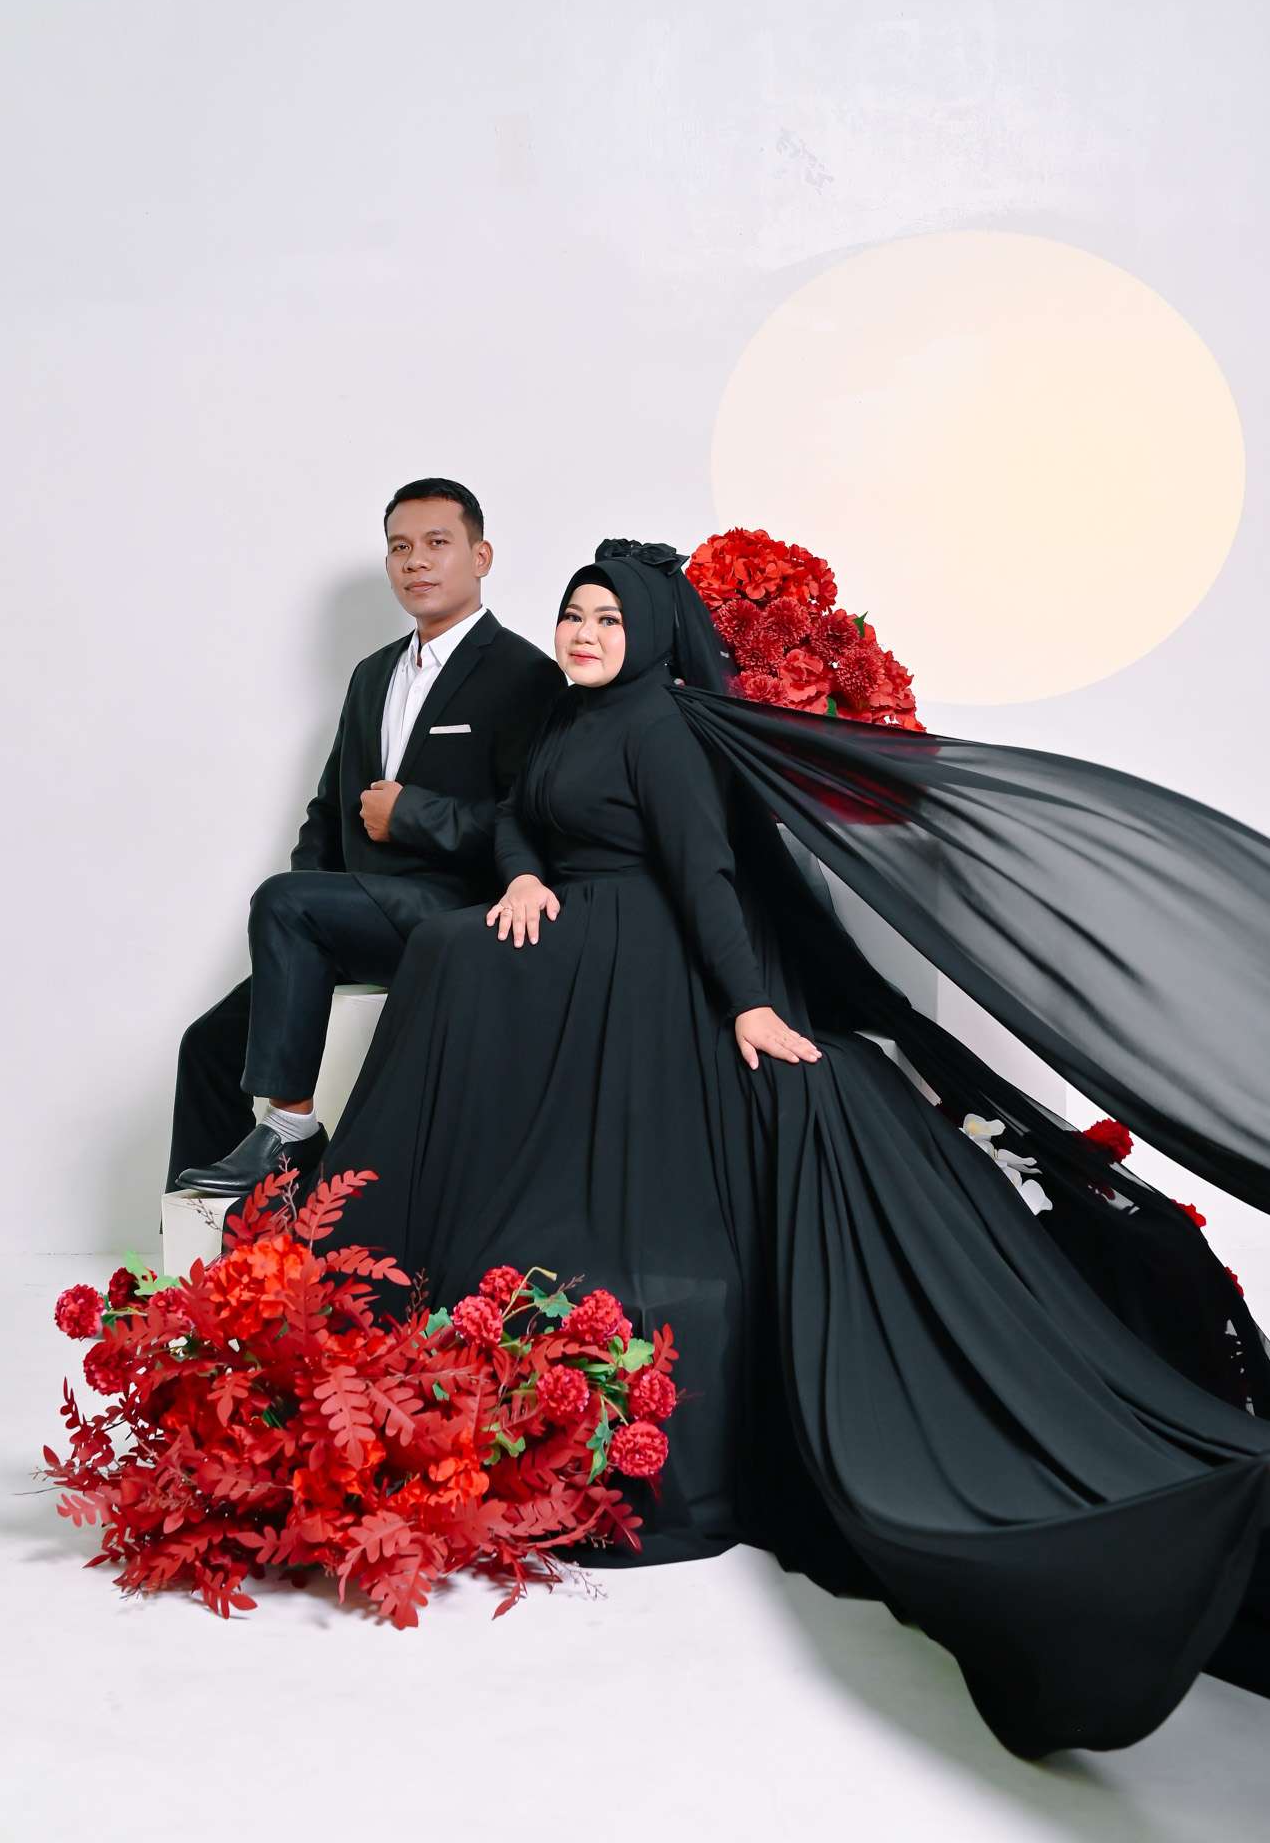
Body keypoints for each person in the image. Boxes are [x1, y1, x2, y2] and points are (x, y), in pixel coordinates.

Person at [313, 539, 1270, 1758]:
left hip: (650, 965)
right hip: (576, 936)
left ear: (649, 636)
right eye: (573, 614)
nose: (585, 632)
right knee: (457, 952)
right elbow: (514, 821)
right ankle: (373, 1256)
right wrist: (522, 875)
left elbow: (705, 871)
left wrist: (751, 1003)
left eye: (608, 618)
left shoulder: (659, 727)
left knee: (454, 964)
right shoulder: (565, 717)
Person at [166, 478, 564, 1198]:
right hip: (357, 913)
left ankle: (291, 1130)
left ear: (481, 557)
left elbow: (532, 824)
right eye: (400, 548)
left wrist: (412, 815)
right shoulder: (373, 674)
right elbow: (327, 812)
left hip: (455, 912)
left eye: (437, 543)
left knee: (285, 900)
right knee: (208, 1044)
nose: (417, 561)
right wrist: (305, 916)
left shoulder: (525, 674)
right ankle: (203, 1246)